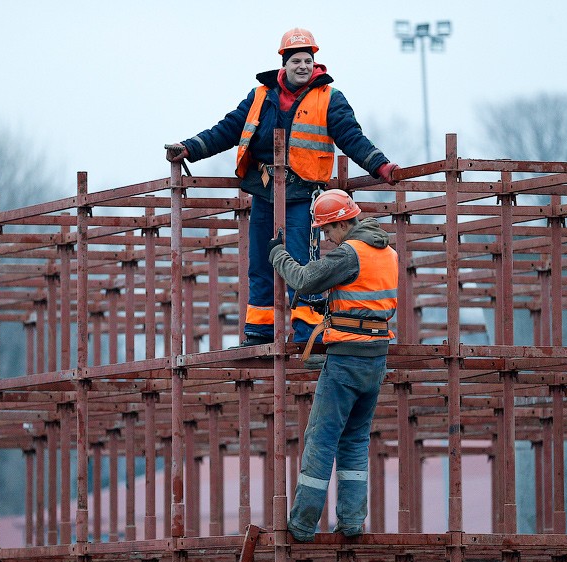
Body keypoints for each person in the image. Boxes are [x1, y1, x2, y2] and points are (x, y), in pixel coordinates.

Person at [166, 27, 397, 352]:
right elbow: (228, 129)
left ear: (315, 65)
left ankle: (307, 334)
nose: (302, 66)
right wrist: (189, 148)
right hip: (264, 193)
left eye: (308, 61)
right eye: (296, 60)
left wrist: (380, 165)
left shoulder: (328, 98)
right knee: (260, 262)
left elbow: (351, 136)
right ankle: (259, 333)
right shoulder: (261, 96)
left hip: (302, 197)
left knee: (303, 264)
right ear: (284, 64)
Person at [266, 188, 398, 542]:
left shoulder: (351, 253)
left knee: (321, 439)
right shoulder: (389, 255)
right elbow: (370, 304)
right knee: (354, 441)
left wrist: (278, 256)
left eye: (327, 232)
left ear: (342, 224)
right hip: (375, 359)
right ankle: (352, 521)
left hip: (347, 359)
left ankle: (302, 524)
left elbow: (307, 279)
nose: (327, 239)